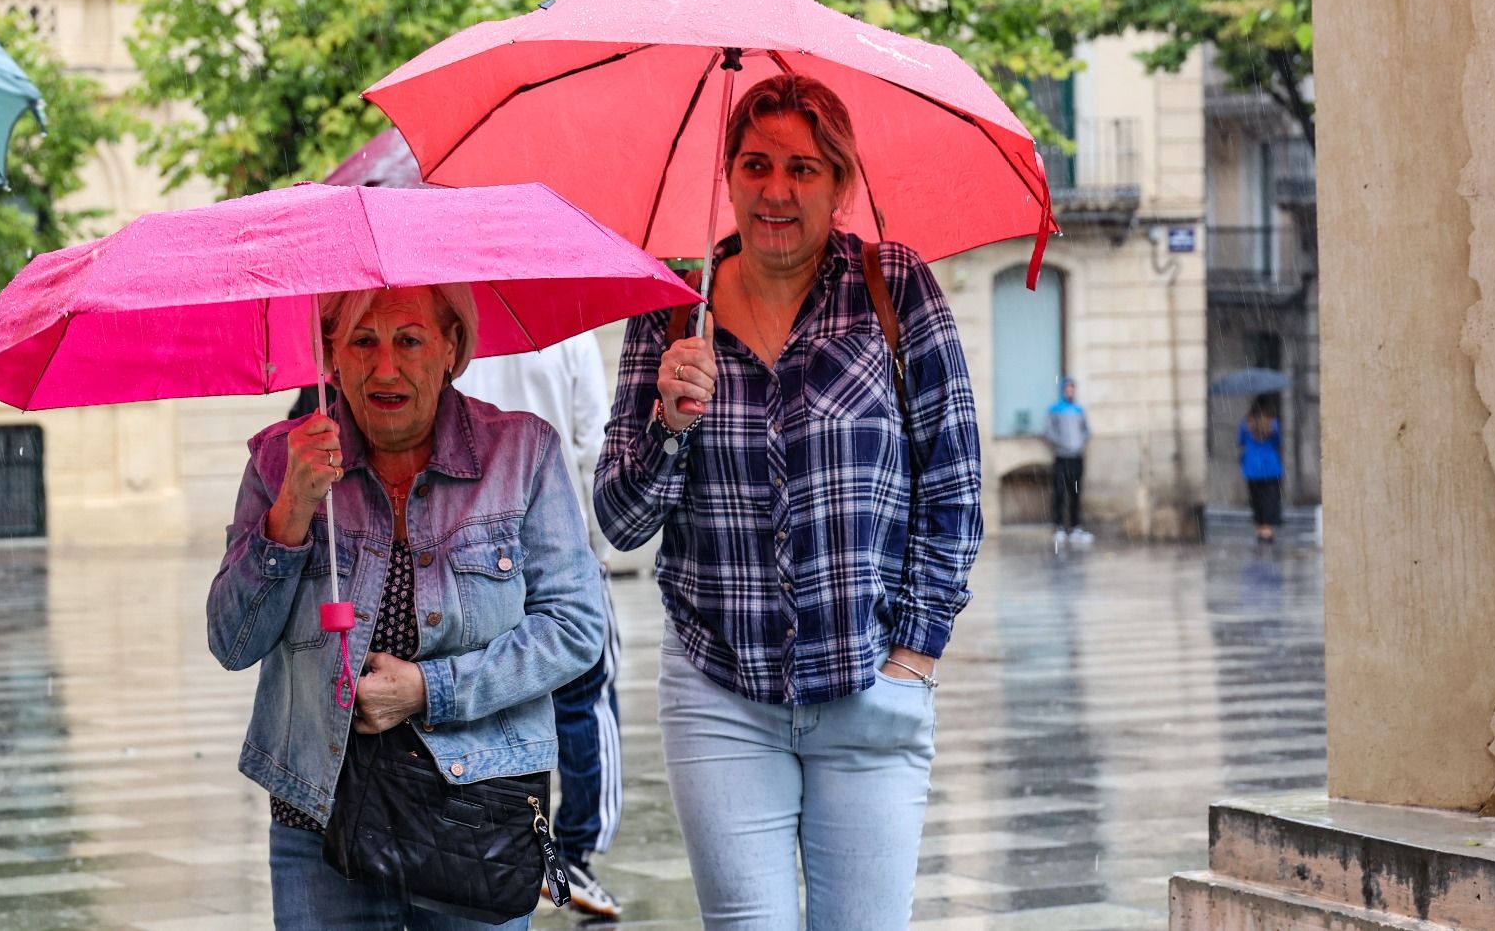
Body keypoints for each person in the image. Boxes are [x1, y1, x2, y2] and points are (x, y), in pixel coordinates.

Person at [595, 73, 983, 930]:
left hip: (869, 683)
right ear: (727, 175)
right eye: (756, 164)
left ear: (841, 185)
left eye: (804, 169)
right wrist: (669, 421)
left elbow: (952, 480)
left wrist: (915, 655)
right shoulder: (670, 305)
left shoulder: (891, 286)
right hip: (719, 691)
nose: (776, 191)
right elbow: (620, 520)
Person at [207, 284, 606, 931]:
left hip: (476, 811)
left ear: (451, 348)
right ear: (330, 352)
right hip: (321, 814)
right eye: (363, 340)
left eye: (409, 340)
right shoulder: (280, 459)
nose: (385, 366)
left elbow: (575, 627)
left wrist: (429, 689)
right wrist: (290, 512)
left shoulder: (522, 453)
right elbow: (232, 640)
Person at [456, 334, 624, 918]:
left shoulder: (456, 331)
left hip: (477, 552)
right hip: (562, 543)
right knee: (584, 703)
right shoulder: (571, 337)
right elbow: (592, 444)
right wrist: (598, 553)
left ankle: (505, 845)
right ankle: (573, 852)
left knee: (493, 698)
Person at [1045, 376, 1093, 550]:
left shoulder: (1079, 410)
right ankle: (1058, 526)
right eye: (1068, 389)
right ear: (1063, 390)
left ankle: (1075, 527)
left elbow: (1087, 430)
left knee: (1075, 492)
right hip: (1061, 456)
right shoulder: (1055, 409)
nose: (1070, 392)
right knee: (1059, 491)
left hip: (1076, 456)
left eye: (1072, 389)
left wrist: (1079, 442)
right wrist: (1062, 443)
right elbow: (1048, 430)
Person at [1240, 397, 1284, 544]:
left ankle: (1259, 527)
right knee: (1270, 498)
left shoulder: (1246, 425)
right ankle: (1267, 529)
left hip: (1252, 466)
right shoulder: (1274, 425)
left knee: (1256, 498)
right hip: (1270, 466)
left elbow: (1240, 441)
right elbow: (1279, 441)